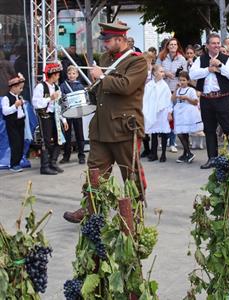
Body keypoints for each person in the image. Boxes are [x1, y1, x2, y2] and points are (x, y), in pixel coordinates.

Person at [63, 21, 148, 223]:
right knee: (95, 172)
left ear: (121, 39)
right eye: (104, 40)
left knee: (131, 172)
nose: (104, 44)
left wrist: (101, 77)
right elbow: (100, 90)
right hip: (101, 127)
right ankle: (91, 209)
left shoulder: (138, 61)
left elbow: (126, 86)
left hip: (124, 127)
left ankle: (136, 210)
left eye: (108, 41)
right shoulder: (105, 58)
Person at [189, 32, 229, 169]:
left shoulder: (226, 59)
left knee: (228, 128)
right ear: (207, 45)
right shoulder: (201, 59)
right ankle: (212, 158)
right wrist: (208, 69)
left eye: (218, 43)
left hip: (222, 98)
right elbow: (192, 74)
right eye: (213, 43)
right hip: (206, 99)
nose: (216, 46)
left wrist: (220, 66)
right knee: (209, 130)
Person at [32, 62, 69, 175]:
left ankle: (53, 163)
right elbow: (36, 103)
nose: (59, 75)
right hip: (45, 116)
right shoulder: (40, 86)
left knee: (60, 139)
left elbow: (59, 105)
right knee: (46, 141)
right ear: (52, 74)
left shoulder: (57, 87)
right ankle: (44, 166)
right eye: (57, 73)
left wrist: (64, 120)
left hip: (56, 116)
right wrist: (49, 99)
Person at [157, 37, 187, 153]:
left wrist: (180, 79)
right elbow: (156, 71)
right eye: (171, 45)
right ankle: (163, 138)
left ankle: (172, 142)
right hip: (163, 89)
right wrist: (165, 74)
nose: (173, 46)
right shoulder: (161, 57)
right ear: (167, 46)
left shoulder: (182, 59)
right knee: (164, 114)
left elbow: (185, 74)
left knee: (173, 116)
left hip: (175, 89)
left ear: (177, 46)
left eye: (175, 44)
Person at [143, 64, 173, 162]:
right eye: (161, 71)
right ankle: (154, 153)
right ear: (155, 73)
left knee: (163, 133)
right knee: (154, 133)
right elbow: (145, 99)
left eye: (163, 72)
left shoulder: (164, 85)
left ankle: (163, 153)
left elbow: (169, 100)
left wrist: (169, 112)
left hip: (163, 111)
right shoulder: (149, 85)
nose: (162, 73)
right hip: (152, 111)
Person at [172, 71, 203, 163]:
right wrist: (175, 89)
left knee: (182, 133)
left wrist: (186, 98)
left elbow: (195, 102)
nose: (182, 82)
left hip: (187, 113)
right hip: (179, 113)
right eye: (180, 80)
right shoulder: (178, 89)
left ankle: (188, 153)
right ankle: (186, 153)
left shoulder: (191, 90)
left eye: (184, 80)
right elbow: (173, 99)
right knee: (182, 133)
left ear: (188, 81)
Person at [59, 65, 86, 164]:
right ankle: (66, 156)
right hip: (67, 112)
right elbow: (61, 99)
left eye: (74, 73)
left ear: (77, 75)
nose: (71, 75)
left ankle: (81, 155)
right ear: (67, 74)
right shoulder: (63, 86)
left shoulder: (80, 86)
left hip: (78, 112)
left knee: (80, 134)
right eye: (69, 73)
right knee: (67, 135)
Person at [1, 73, 26, 172]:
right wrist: (15, 106)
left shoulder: (18, 96)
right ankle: (13, 164)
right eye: (19, 88)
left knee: (21, 143)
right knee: (15, 143)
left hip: (20, 122)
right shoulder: (6, 98)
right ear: (13, 87)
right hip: (12, 124)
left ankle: (18, 162)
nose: (21, 90)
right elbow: (5, 112)